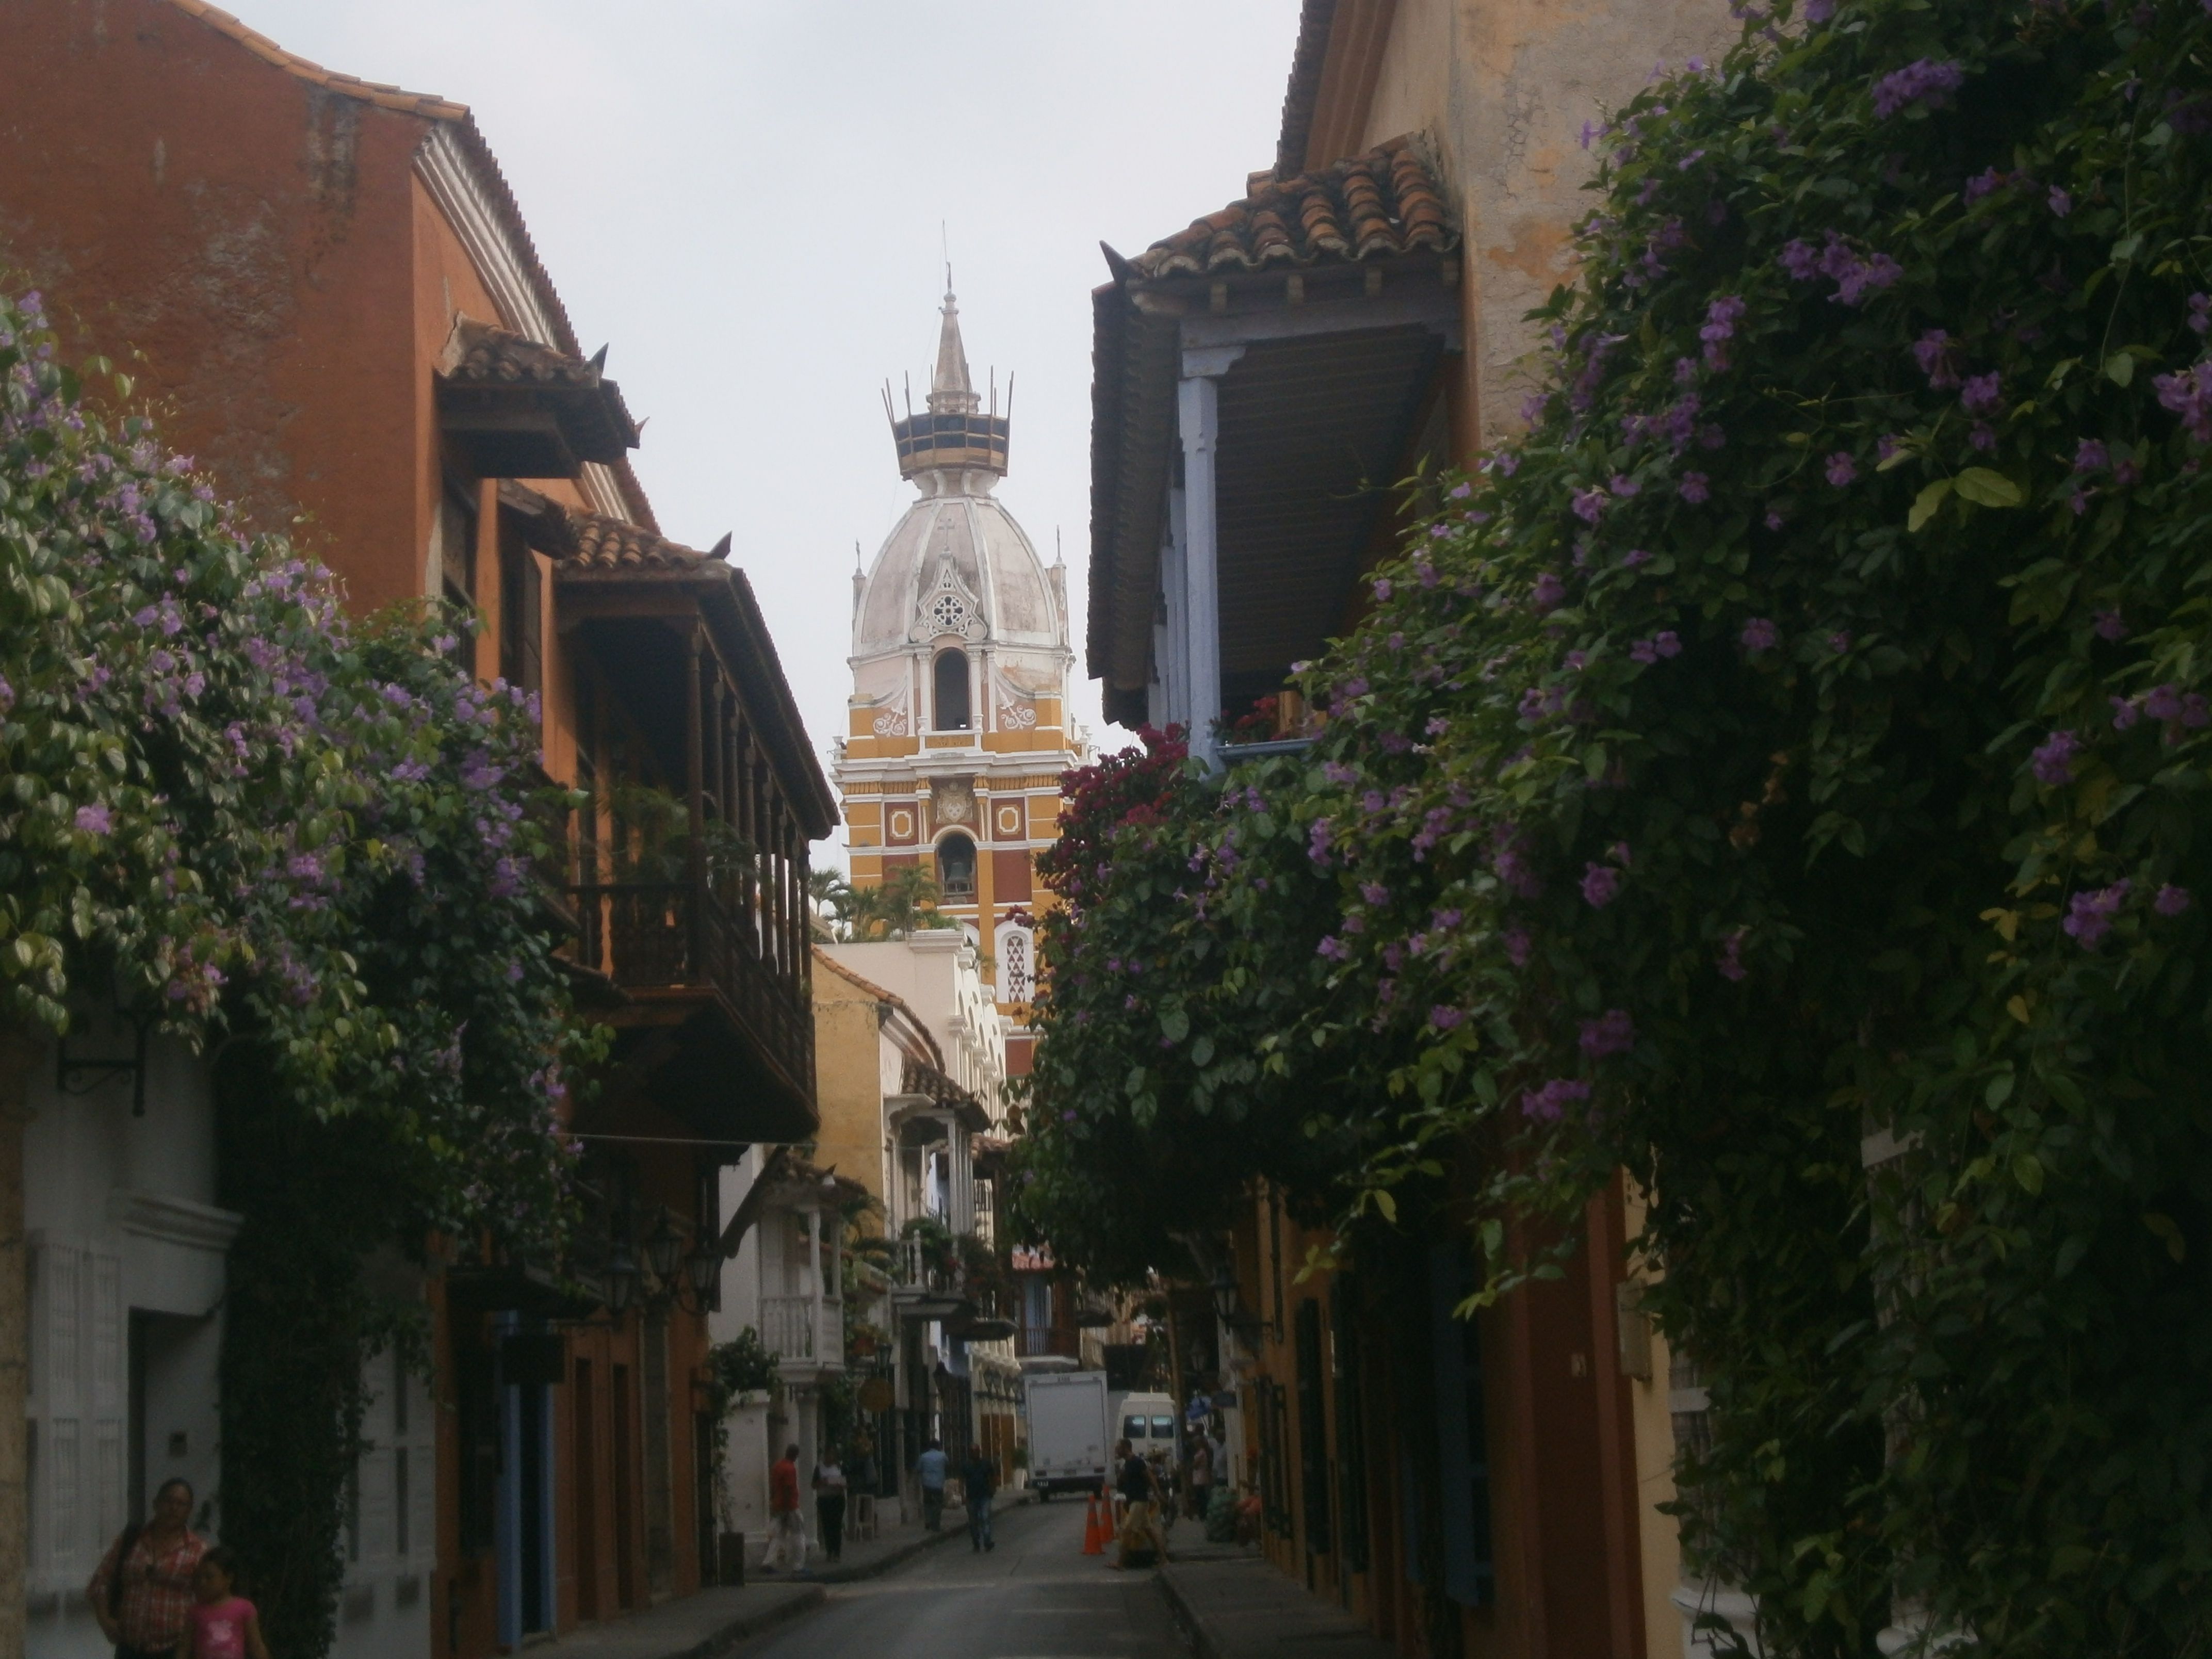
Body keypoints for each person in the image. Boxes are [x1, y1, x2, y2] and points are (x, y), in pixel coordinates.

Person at [89, 1476, 209, 1659]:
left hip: (175, 1649)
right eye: (169, 1501)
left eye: (181, 1504)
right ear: (156, 1504)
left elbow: (210, 1597)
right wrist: (105, 1620)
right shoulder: (131, 1541)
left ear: (189, 1510)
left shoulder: (198, 1550)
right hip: (130, 1647)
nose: (174, 1508)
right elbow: (101, 1581)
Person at [186, 1548, 268, 1659]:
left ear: (229, 1578)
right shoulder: (195, 1611)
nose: (203, 1582)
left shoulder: (244, 1608)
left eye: (209, 1577)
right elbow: (185, 1647)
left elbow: (256, 1646)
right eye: (199, 1577)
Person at [1113, 1438, 1166, 1569]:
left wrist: (1158, 1493)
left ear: (1126, 1447)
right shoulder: (1128, 1464)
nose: (1116, 1451)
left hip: (1140, 1501)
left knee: (1127, 1530)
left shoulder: (1137, 1462)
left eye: (1118, 1448)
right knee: (1150, 1531)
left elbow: (1150, 1477)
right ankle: (1164, 1559)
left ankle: (1120, 1563)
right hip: (1134, 1501)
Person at [763, 1442, 807, 1573]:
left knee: (778, 1536)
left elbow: (774, 1486)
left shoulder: (778, 1466)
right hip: (790, 1507)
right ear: (794, 1455)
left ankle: (768, 1563)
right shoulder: (790, 1468)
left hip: (779, 1506)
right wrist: (789, 1508)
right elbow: (788, 1488)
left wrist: (774, 1501)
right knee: (798, 1536)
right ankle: (798, 1566)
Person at [813, 1447, 849, 1565]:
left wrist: (840, 1484)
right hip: (824, 1499)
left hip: (837, 1499)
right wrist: (823, 1482)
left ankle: (837, 1552)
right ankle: (829, 1552)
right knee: (827, 1526)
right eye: (827, 1455)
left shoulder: (840, 1467)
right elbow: (813, 1484)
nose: (829, 1458)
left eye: (831, 1455)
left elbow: (847, 1482)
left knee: (836, 1526)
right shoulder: (819, 1468)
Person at [961, 1443, 997, 1553]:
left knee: (985, 1518)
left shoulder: (986, 1464)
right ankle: (976, 1542)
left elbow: (993, 1476)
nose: (974, 1453)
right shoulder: (966, 1465)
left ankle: (987, 1541)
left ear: (979, 1452)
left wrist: (993, 1489)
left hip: (985, 1496)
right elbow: (961, 1481)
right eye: (972, 1451)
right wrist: (963, 1496)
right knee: (973, 1522)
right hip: (972, 1497)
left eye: (976, 1451)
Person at [915, 1437, 949, 1532]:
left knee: (928, 1503)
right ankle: (936, 1524)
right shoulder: (943, 1456)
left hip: (927, 1484)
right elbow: (947, 1464)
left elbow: (918, 1469)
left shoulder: (923, 1456)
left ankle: (928, 1520)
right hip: (939, 1484)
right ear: (939, 1446)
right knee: (938, 1505)